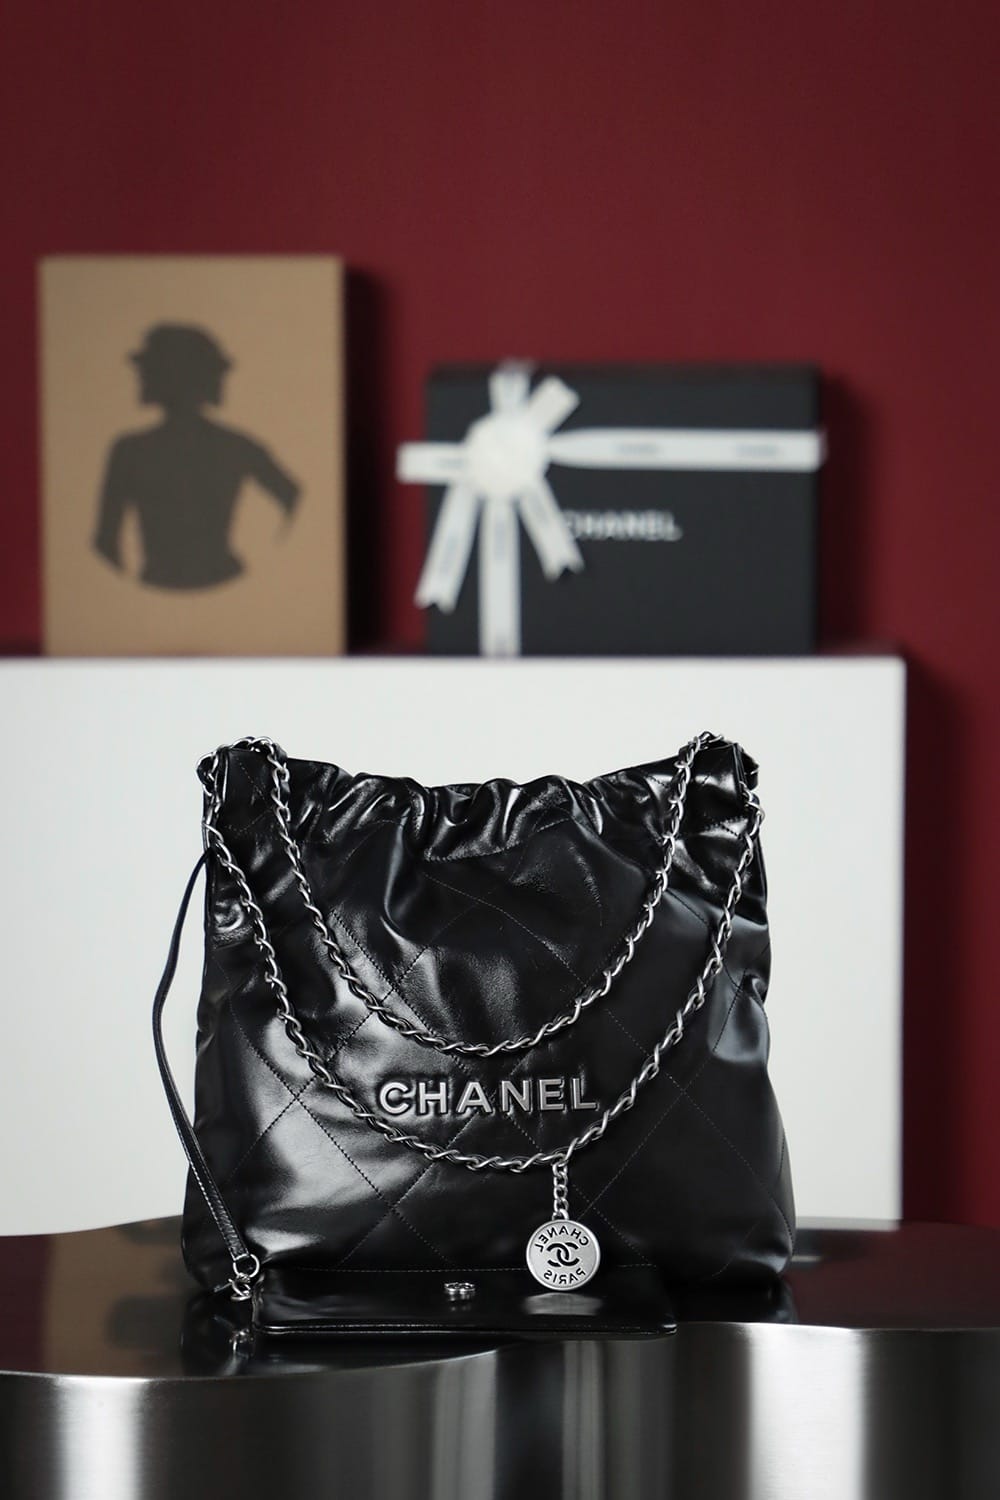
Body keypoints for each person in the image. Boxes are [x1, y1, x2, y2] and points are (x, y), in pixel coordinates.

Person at [93, 324, 301, 589]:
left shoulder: (129, 450)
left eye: (148, 368)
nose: (140, 376)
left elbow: (105, 542)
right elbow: (295, 498)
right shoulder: (238, 445)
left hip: (169, 582)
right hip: (208, 581)